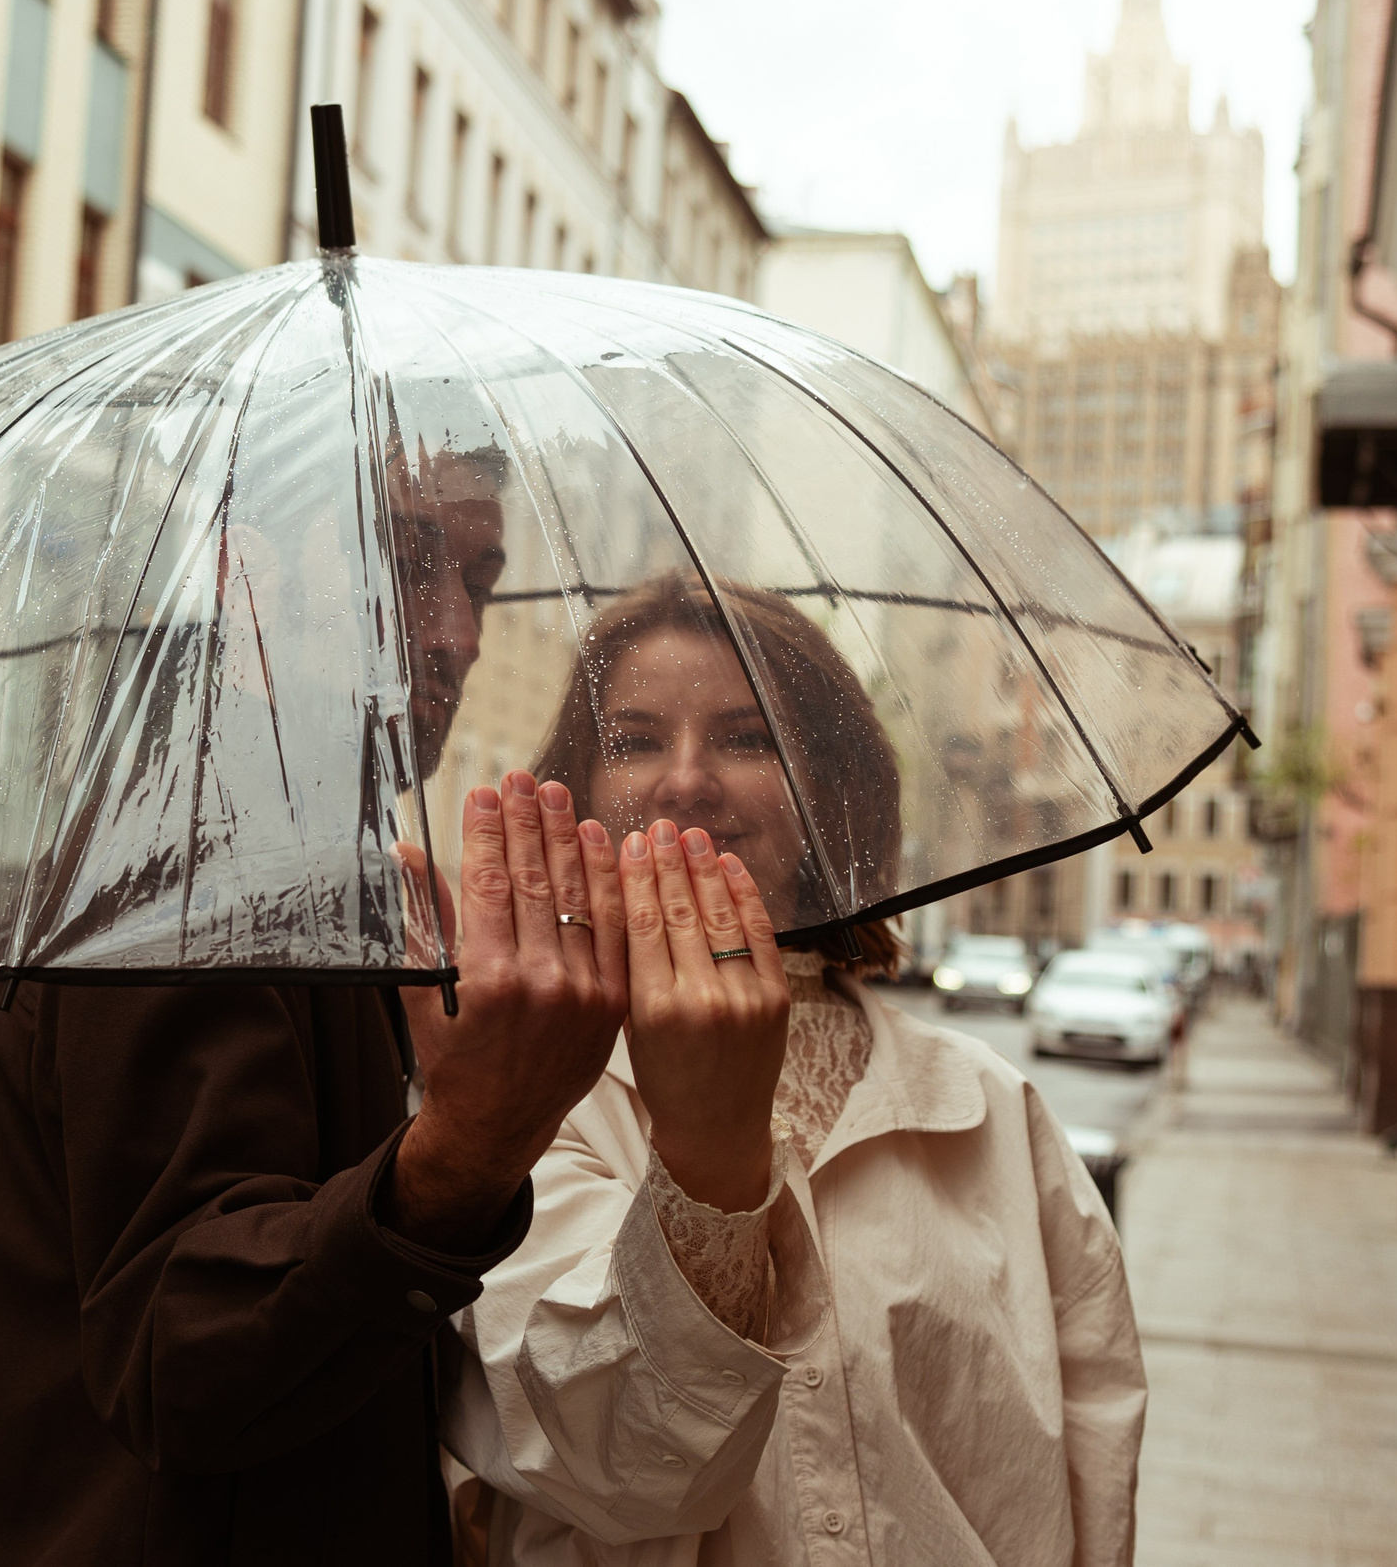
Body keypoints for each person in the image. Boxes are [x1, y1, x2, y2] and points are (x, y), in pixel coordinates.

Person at [0, 450, 694, 1563]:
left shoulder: (316, 857)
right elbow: (179, 1353)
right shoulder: (188, 853)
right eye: (398, 565)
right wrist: (467, 1148)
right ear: (247, 572)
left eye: (477, 582)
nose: (454, 634)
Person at [445, 573, 1147, 1565]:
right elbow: (605, 1460)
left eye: (747, 736)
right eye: (636, 739)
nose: (687, 778)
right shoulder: (527, 1106)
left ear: (833, 787)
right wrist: (706, 1166)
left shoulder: (991, 1110)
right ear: (580, 789)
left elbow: (1091, 1473)